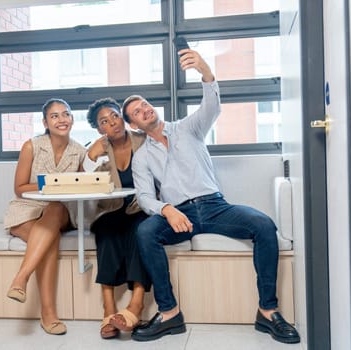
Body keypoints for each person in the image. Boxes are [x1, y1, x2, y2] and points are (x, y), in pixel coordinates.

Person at [121, 49, 300, 344]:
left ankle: (267, 311)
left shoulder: (188, 127)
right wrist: (167, 209)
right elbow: (143, 197)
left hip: (216, 207)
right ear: (134, 125)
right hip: (179, 214)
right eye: (138, 112)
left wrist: (205, 72)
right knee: (145, 231)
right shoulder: (141, 158)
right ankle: (169, 313)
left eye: (146, 105)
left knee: (264, 226)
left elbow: (212, 107)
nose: (145, 110)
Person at [3, 98, 86, 335]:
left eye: (66, 114)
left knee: (56, 208)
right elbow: (19, 187)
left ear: (72, 118)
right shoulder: (32, 146)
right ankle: (48, 314)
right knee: (50, 242)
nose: (62, 120)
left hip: (59, 211)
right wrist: (52, 183)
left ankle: (21, 278)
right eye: (55, 116)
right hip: (26, 211)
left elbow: (84, 186)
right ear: (45, 122)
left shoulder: (80, 152)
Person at [83, 97, 152, 339]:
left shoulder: (142, 141)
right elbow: (81, 180)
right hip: (111, 210)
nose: (113, 122)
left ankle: (137, 303)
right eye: (105, 121)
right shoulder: (98, 149)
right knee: (106, 231)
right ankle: (109, 307)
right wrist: (90, 156)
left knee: (141, 231)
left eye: (115, 115)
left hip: (141, 208)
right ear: (99, 129)